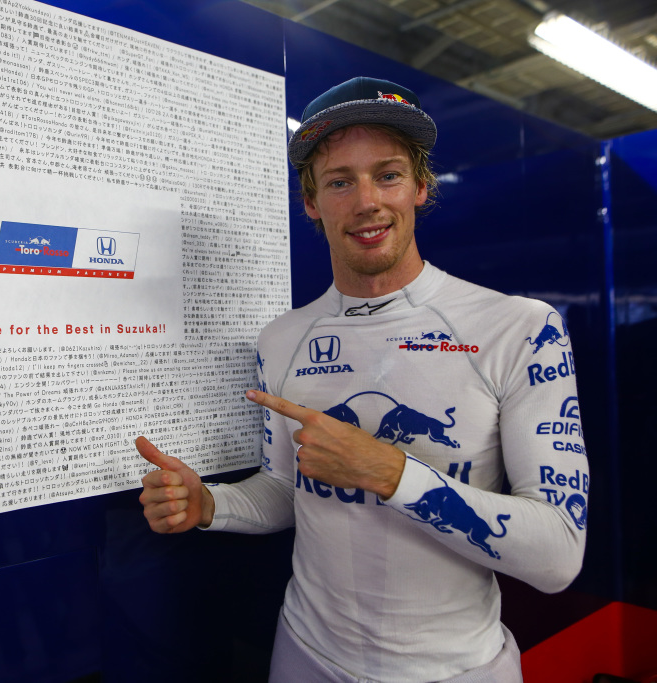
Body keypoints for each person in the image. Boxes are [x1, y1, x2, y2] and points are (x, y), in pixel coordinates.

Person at [136, 77, 588, 682]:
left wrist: (388, 471)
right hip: (304, 656)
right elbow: (287, 489)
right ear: (312, 202)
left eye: (388, 175)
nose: (366, 201)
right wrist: (211, 504)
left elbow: (559, 554)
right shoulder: (281, 339)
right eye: (340, 181)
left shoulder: (520, 328)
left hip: (456, 669)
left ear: (421, 187)